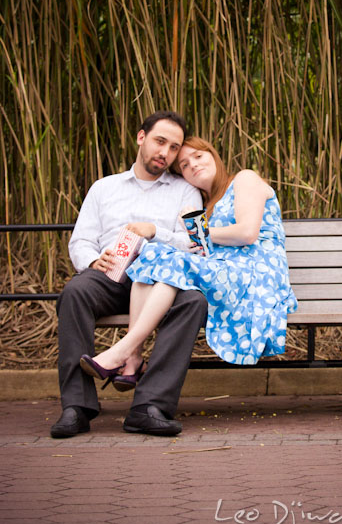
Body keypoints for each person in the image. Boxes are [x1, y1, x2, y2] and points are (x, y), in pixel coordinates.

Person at [78, 136, 298, 386]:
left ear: (213, 156)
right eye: (183, 164)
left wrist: (196, 232)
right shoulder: (208, 206)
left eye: (199, 156)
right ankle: (134, 358)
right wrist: (193, 229)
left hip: (256, 275)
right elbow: (202, 251)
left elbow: (247, 232)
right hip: (225, 273)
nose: (192, 164)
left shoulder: (244, 179)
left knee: (171, 261)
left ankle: (123, 349)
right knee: (151, 254)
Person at [50, 112, 207, 439]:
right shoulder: (104, 188)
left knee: (194, 301)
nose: (165, 152)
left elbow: (195, 244)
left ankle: (150, 406)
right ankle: (77, 407)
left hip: (164, 283)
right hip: (111, 277)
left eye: (174, 147)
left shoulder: (184, 191)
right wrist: (94, 261)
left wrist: (155, 232)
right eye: (159, 141)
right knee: (75, 293)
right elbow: (80, 240)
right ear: (141, 138)